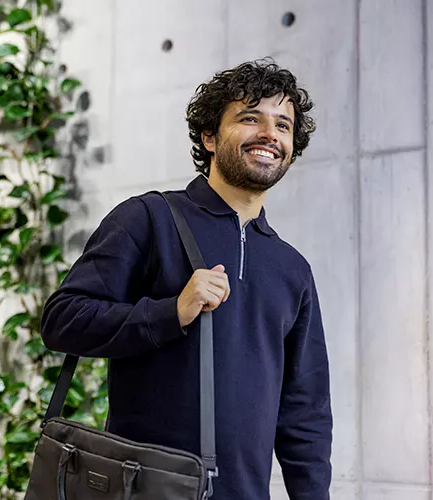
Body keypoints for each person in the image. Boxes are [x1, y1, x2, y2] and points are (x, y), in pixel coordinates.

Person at [39, 58, 333, 499]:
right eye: (250, 118)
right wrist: (170, 312)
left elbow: (304, 412)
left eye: (283, 125)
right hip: (143, 488)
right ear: (209, 136)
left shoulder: (292, 270)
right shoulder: (148, 218)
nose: (270, 135)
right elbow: (62, 320)